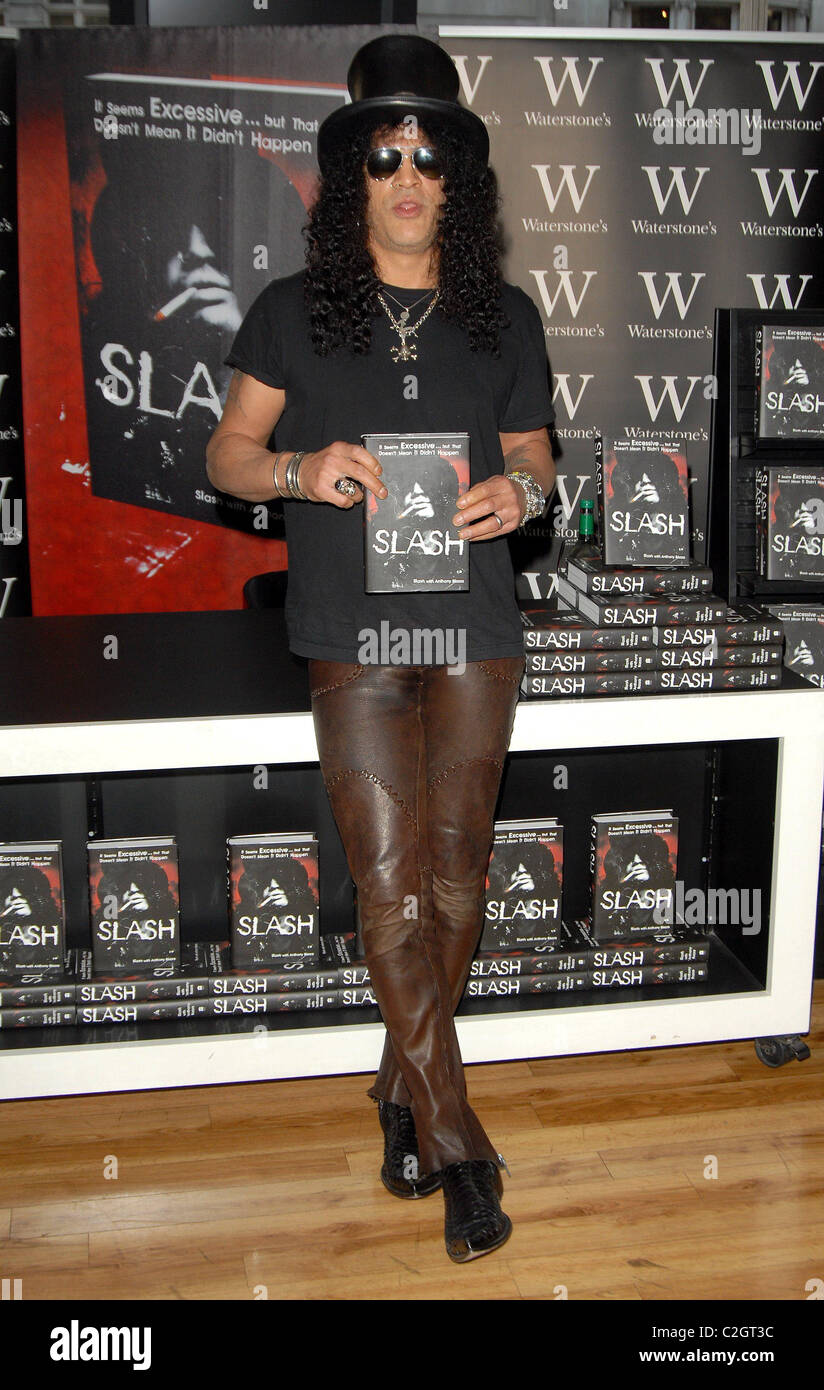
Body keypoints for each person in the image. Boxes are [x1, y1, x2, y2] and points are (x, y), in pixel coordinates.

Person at [206, 34, 555, 1263]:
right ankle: (457, 1135)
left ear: (458, 182)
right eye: (381, 156)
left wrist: (522, 498)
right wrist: (301, 467)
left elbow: (533, 457)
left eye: (428, 158)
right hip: (351, 628)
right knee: (393, 881)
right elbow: (225, 456)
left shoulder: (501, 312)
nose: (405, 176)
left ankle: (398, 1088)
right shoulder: (290, 311)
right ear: (350, 175)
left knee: (458, 883)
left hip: (474, 625)